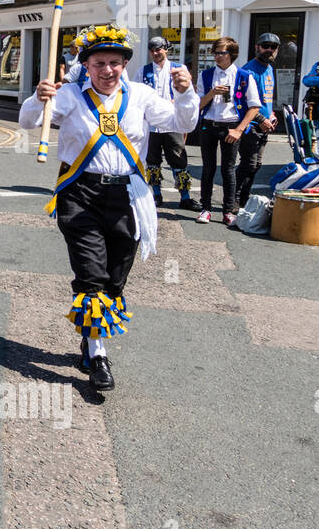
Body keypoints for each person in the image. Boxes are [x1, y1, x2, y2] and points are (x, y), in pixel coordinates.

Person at [21, 25, 198, 391]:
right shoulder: (68, 95)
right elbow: (29, 122)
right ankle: (99, 355)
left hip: (129, 198)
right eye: (99, 62)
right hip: (80, 196)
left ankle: (89, 338)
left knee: (115, 281)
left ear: (124, 64)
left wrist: (186, 94)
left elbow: (184, 123)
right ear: (85, 64)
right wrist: (38, 99)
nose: (107, 70)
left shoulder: (142, 97)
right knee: (91, 276)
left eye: (114, 62)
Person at [194, 37, 260, 226]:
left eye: (220, 53)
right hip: (208, 124)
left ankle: (228, 211)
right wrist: (211, 93)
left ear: (231, 54)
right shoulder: (206, 75)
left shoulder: (244, 75)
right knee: (208, 168)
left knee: (228, 170)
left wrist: (239, 130)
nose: (216, 57)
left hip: (231, 126)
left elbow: (254, 106)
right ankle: (205, 208)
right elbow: (198, 104)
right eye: (214, 53)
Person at [139, 36, 194, 209]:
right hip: (151, 125)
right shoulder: (143, 71)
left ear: (166, 49)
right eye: (152, 50)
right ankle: (156, 195)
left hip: (173, 123)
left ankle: (185, 197)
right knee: (153, 161)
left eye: (159, 49)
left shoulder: (179, 68)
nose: (156, 52)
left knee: (179, 161)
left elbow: (187, 91)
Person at [234, 33, 280, 213]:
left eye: (273, 47)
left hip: (264, 125)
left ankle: (244, 200)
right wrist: (262, 119)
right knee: (248, 164)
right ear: (257, 47)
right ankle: (235, 200)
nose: (269, 49)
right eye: (265, 45)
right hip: (250, 126)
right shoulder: (249, 70)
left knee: (255, 165)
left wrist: (272, 113)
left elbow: (265, 98)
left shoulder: (268, 68)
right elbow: (242, 102)